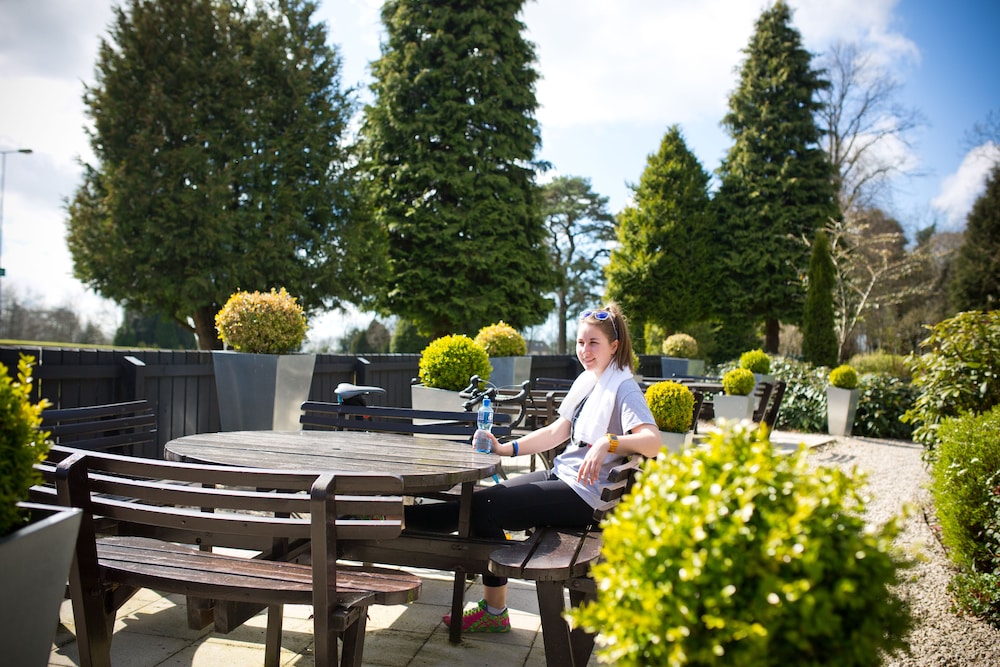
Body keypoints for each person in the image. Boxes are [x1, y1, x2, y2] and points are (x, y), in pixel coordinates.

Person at [404, 302, 662, 633]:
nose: (585, 350)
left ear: (614, 346)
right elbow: (557, 431)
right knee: (481, 501)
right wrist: (506, 448)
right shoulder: (590, 381)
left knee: (485, 508)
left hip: (584, 495)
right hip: (565, 478)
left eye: (593, 343)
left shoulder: (623, 387)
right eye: (580, 342)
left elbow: (652, 441)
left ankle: (395, 520)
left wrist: (608, 442)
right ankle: (400, 519)